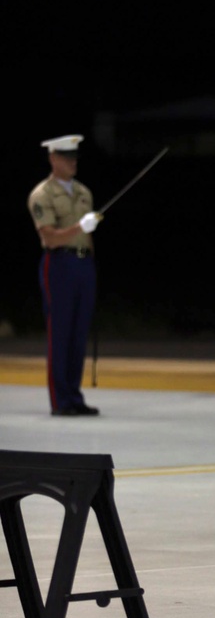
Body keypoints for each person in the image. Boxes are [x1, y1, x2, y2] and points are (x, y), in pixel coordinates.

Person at [27, 134, 103, 416]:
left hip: (83, 265)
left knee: (79, 332)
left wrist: (90, 261)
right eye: (66, 157)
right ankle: (60, 400)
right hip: (59, 264)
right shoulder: (42, 195)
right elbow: (50, 238)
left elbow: (87, 238)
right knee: (60, 332)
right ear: (53, 158)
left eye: (74, 157)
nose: (72, 162)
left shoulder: (84, 192)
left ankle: (74, 395)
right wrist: (80, 227)